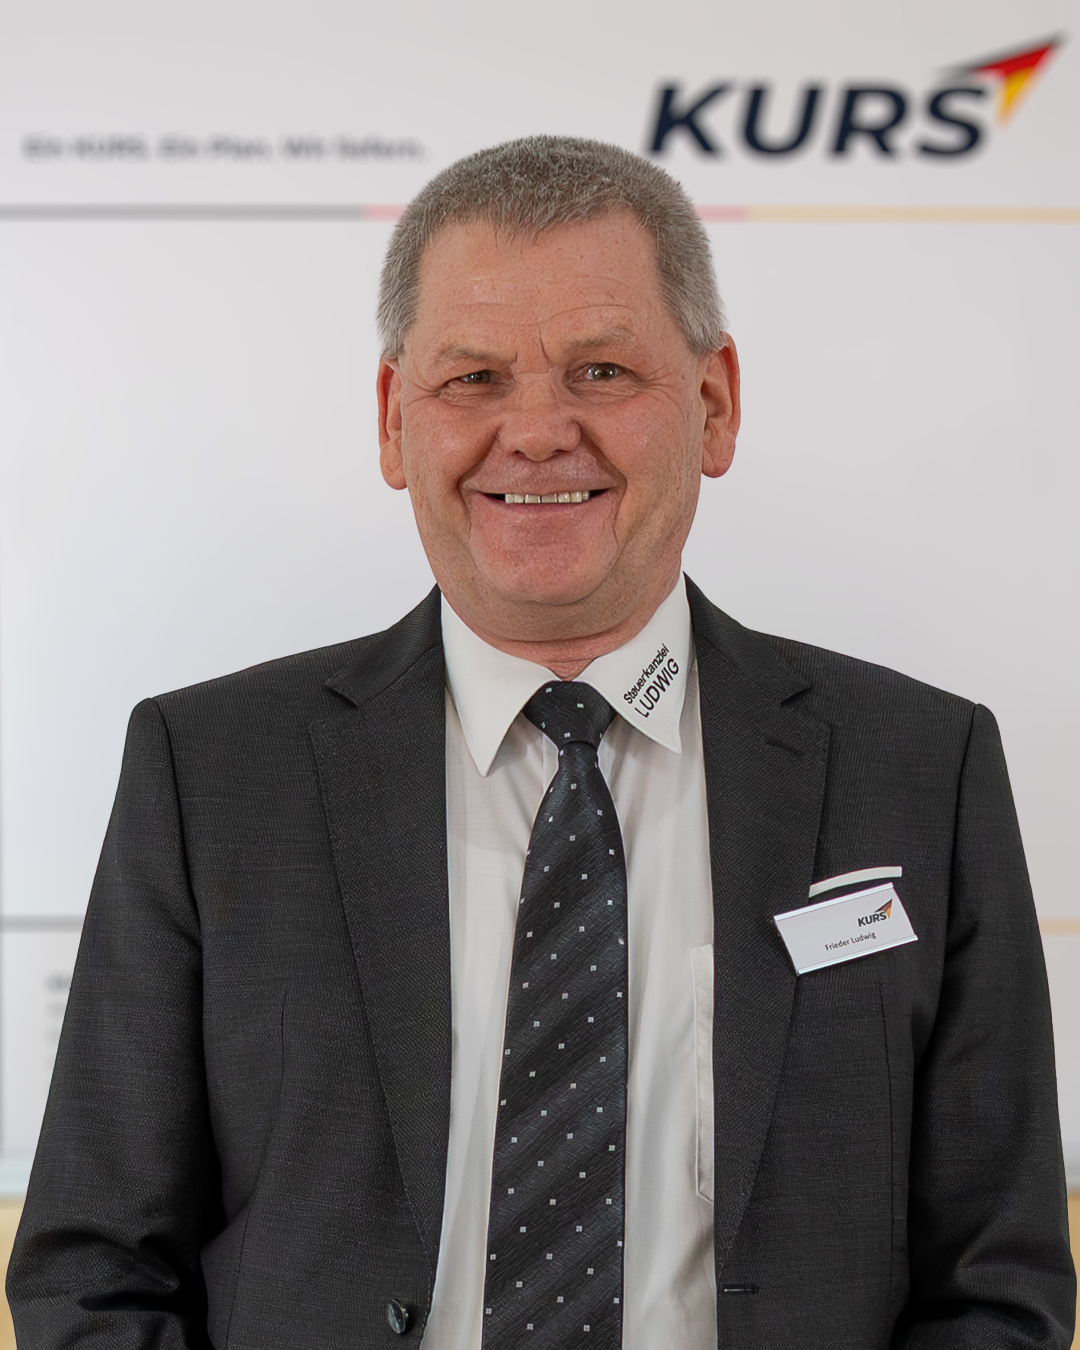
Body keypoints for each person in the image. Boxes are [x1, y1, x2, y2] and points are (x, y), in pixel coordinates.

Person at [7, 136, 1074, 1350]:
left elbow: (997, 1285)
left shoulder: (922, 772)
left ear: (714, 404)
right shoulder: (208, 776)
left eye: (601, 370)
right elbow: (92, 1272)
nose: (535, 431)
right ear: (393, 420)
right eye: (472, 379)